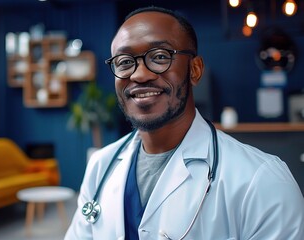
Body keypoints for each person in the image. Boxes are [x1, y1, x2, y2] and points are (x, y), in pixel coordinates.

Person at [65, 6, 304, 240]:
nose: (139, 75)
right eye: (125, 62)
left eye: (159, 57)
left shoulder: (262, 181)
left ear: (195, 70)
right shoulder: (100, 166)